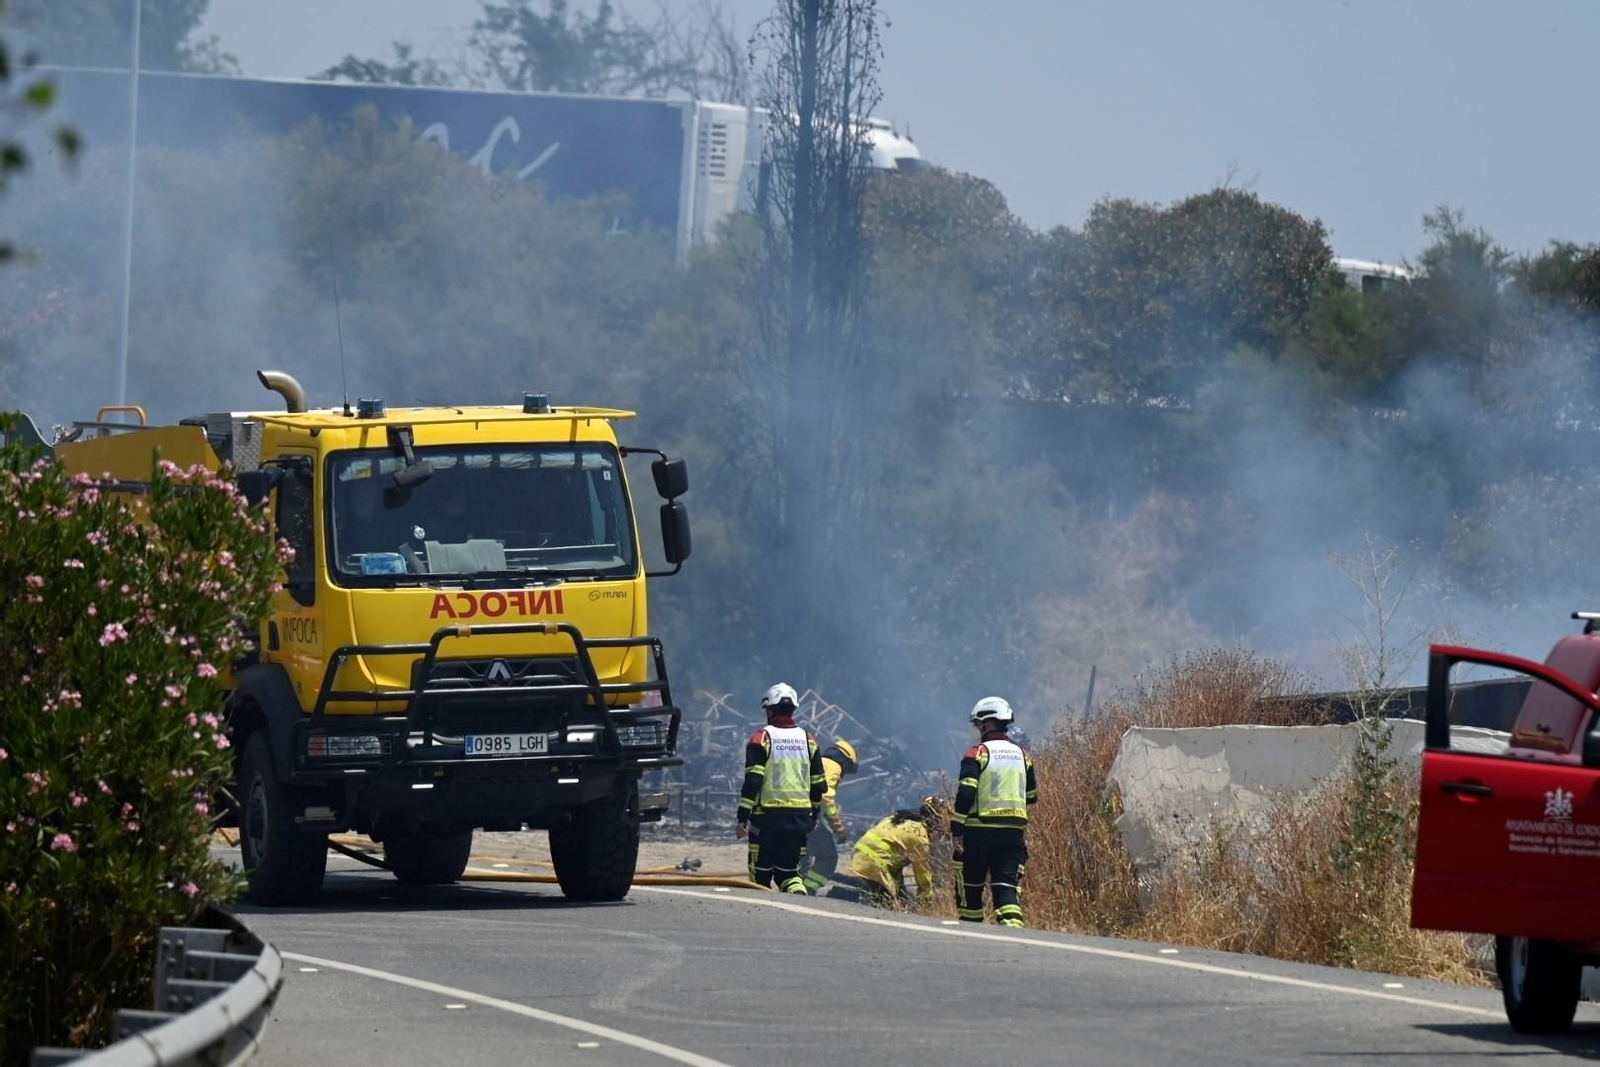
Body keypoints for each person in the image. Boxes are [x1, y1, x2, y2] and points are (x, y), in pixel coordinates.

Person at [950, 696, 1038, 928]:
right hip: (1013, 835)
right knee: (1006, 890)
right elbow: (1031, 796)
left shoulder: (977, 753)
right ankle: (1013, 936)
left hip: (978, 833)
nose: (975, 731)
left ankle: (973, 939)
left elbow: (966, 794)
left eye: (977, 725)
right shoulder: (1023, 756)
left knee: (971, 891)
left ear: (987, 725)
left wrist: (957, 828)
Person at [737, 682, 826, 894]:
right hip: (799, 820)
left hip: (766, 820)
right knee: (790, 874)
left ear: (769, 709)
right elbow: (818, 784)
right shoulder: (808, 740)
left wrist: (742, 818)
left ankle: (763, 919)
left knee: (760, 877)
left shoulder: (762, 738)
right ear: (793, 709)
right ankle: (797, 901)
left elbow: (753, 782)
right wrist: (814, 816)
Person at [848, 795, 949, 908]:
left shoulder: (896, 818)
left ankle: (846, 886)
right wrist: (926, 897)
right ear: (934, 821)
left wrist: (901, 891)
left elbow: (895, 864)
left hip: (859, 855)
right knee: (888, 905)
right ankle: (842, 894)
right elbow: (922, 873)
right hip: (875, 864)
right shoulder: (920, 837)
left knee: (895, 894)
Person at [800, 738, 859, 893]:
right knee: (828, 856)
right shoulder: (833, 766)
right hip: (806, 817)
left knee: (802, 852)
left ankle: (794, 885)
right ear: (845, 761)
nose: (845, 774)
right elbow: (826, 797)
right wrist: (838, 828)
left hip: (789, 813)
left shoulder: (815, 761)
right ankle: (808, 889)